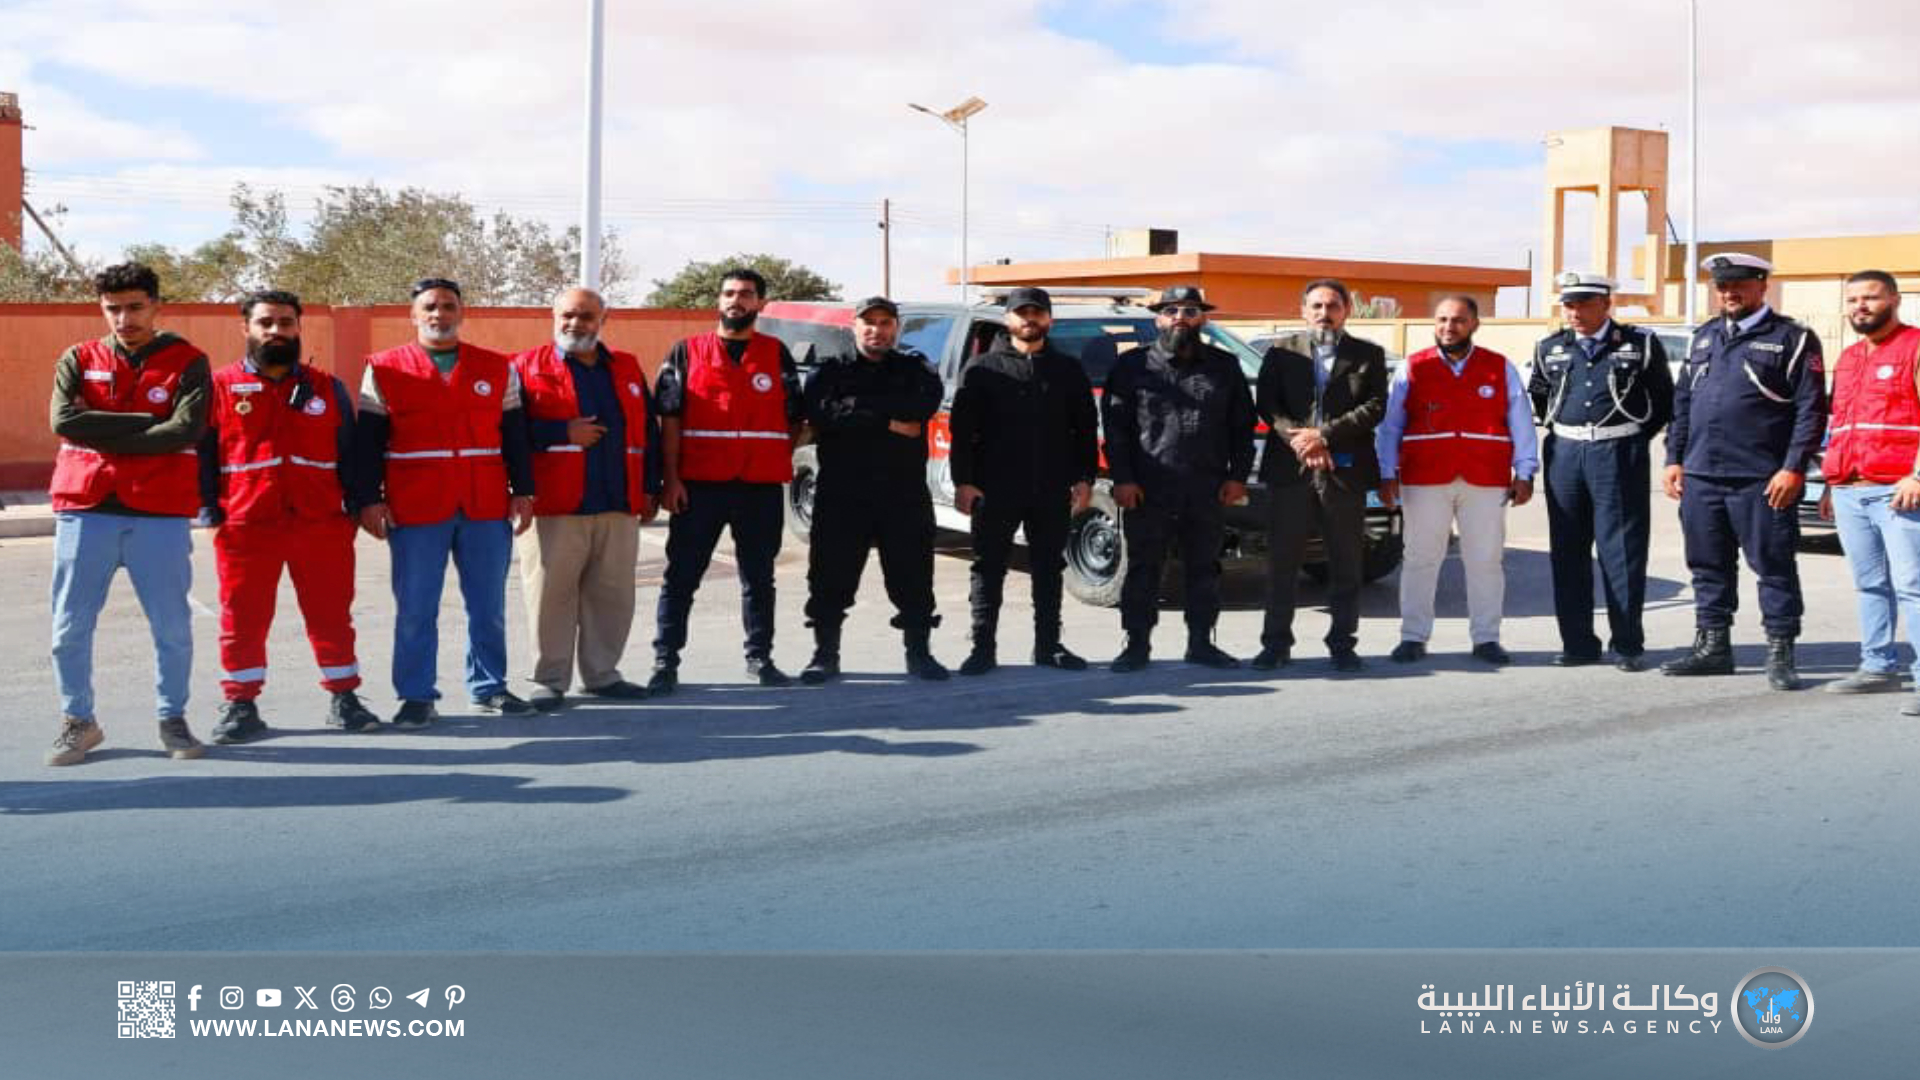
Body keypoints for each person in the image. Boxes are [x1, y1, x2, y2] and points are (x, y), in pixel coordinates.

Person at [351, 277, 537, 728]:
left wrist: (524, 490)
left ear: (461, 312)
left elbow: (516, 435)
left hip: (484, 503)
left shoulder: (497, 367)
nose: (439, 314)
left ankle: (489, 688)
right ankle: (416, 696)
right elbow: (367, 443)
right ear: (413, 315)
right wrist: (368, 500)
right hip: (416, 505)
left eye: (448, 306)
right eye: (430, 307)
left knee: (488, 606)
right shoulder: (385, 368)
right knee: (416, 608)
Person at [45, 262, 211, 765]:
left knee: (171, 627)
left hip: (159, 511)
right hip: (85, 506)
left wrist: (103, 427)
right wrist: (146, 422)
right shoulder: (78, 357)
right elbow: (63, 421)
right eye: (113, 309)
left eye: (135, 307)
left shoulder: (189, 361)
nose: (124, 319)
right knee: (69, 629)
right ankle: (79, 721)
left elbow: (186, 430)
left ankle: (172, 718)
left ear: (156, 306)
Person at [198, 289, 379, 743]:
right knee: (242, 619)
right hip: (245, 524)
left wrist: (358, 506)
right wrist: (208, 509)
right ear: (246, 328)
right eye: (266, 322)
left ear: (299, 327)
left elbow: (352, 453)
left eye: (285, 322)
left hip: (321, 523)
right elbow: (203, 453)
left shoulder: (327, 387)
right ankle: (241, 704)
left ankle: (344, 697)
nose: (276, 330)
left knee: (331, 615)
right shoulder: (218, 387)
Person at [1661, 253, 1827, 689]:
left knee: (1773, 566)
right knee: (1707, 565)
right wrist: (1674, 458)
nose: (1729, 293)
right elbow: (1682, 404)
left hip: (1762, 477)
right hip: (1702, 474)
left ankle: (1781, 651)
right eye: (1722, 286)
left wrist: (1793, 468)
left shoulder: (1792, 338)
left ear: (1761, 285)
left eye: (1739, 284)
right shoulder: (1704, 337)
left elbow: (1811, 410)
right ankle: (1713, 647)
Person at [649, 267, 804, 693]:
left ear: (760, 303)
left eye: (747, 293)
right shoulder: (686, 352)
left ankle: (760, 658)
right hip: (700, 486)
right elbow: (669, 420)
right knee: (681, 577)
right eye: (730, 293)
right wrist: (671, 480)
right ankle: (665, 663)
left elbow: (795, 417)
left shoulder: (776, 354)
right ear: (719, 300)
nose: (737, 300)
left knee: (759, 579)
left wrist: (774, 457)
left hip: (759, 487)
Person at [512, 286, 659, 711]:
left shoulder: (626, 367)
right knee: (550, 596)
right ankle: (549, 679)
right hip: (555, 504)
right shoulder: (524, 367)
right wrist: (562, 433)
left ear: (602, 320)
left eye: (586, 316)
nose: (576, 324)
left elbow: (647, 430)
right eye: (568, 316)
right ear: (554, 317)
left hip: (618, 501)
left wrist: (650, 488)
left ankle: (602, 675)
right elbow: (507, 433)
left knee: (612, 595)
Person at [1100, 285, 1257, 672]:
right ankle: (1136, 645)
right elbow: (1116, 430)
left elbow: (1242, 426)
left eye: (1190, 311)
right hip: (1148, 488)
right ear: (1158, 319)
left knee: (1204, 568)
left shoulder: (1224, 366)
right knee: (1144, 568)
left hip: (1207, 487)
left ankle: (1201, 643)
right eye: (1171, 310)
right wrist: (1123, 479)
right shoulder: (1132, 366)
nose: (1180, 318)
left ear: (1202, 319)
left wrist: (1238, 476)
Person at [1377, 295, 1538, 665]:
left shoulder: (1499, 367)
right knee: (1420, 558)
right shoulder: (1412, 367)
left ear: (1475, 324)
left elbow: (1521, 421)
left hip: (1485, 477)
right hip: (1424, 476)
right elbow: (1390, 427)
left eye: (1459, 320)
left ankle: (1486, 638)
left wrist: (1525, 471)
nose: (1449, 327)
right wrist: (1386, 473)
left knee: (1485, 560)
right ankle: (1413, 637)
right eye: (1442, 320)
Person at [1526, 272, 1674, 672]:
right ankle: (1578, 644)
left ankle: (1627, 644)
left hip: (1618, 451)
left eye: (1583, 304)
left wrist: (1633, 437)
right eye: (1568, 305)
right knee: (1568, 552)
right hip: (1566, 453)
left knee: (1621, 552)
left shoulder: (1639, 344)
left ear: (1606, 304)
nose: (1574, 313)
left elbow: (1663, 400)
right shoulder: (1550, 347)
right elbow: (1540, 395)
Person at [948, 286, 1099, 676]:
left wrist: (1084, 477)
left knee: (1049, 568)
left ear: (1049, 319)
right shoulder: (982, 369)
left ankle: (1048, 646)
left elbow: (1085, 429)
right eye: (1022, 313)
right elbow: (962, 432)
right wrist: (963, 481)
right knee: (989, 567)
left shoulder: (1068, 370)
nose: (1030, 319)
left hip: (1051, 487)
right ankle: (982, 648)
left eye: (1037, 312)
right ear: (1008, 319)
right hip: (995, 486)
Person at [798, 296, 949, 682]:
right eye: (868, 322)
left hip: (903, 493)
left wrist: (855, 410)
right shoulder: (829, 371)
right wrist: (887, 420)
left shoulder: (915, 369)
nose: (876, 330)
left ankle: (919, 653)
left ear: (896, 328)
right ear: (854, 325)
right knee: (830, 577)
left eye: (885, 322)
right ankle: (824, 655)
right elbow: (822, 414)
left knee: (913, 576)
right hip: (842, 494)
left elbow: (921, 406)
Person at [1252, 278, 1388, 672]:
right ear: (1303, 311)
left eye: (1332, 306)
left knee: (1346, 563)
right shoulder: (1280, 352)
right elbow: (1268, 405)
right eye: (1316, 306)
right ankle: (1275, 644)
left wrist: (1323, 436)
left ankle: (1342, 644)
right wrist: (1301, 441)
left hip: (1343, 472)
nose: (1324, 314)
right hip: (1290, 471)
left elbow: (1375, 406)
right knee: (1283, 563)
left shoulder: (1369, 355)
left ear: (1346, 310)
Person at [1818, 270, 1920, 709]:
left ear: (1894, 300)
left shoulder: (1915, 346)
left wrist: (1918, 476)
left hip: (1898, 490)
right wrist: (1830, 482)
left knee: (1912, 585)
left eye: (1871, 297)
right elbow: (1840, 425)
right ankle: (1878, 666)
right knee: (1869, 584)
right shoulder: (1848, 358)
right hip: (1849, 489)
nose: (1860, 306)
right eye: (1853, 299)